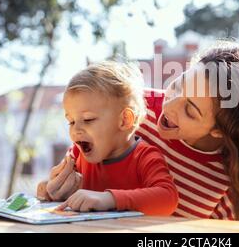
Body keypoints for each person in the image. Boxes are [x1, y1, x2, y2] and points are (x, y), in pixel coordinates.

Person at [41, 40, 239, 224]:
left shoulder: (234, 185)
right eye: (177, 85)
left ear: (221, 130)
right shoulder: (131, 109)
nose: (167, 106)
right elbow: (81, 152)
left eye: (190, 110)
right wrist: (61, 184)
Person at [36, 61, 178, 216]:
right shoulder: (77, 155)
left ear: (124, 120)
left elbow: (168, 198)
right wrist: (52, 190)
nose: (75, 130)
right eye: (71, 121)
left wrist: (109, 199)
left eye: (88, 119)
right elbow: (61, 196)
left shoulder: (145, 157)